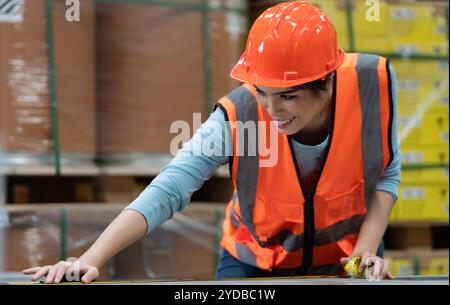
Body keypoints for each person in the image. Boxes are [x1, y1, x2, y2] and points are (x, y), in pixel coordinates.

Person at [23, 1, 399, 283]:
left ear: (327, 82)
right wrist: (90, 258)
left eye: (288, 96)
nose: (271, 109)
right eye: (262, 91)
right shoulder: (238, 115)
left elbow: (386, 172)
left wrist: (366, 248)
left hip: (352, 254)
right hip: (256, 263)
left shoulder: (373, 85)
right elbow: (170, 189)